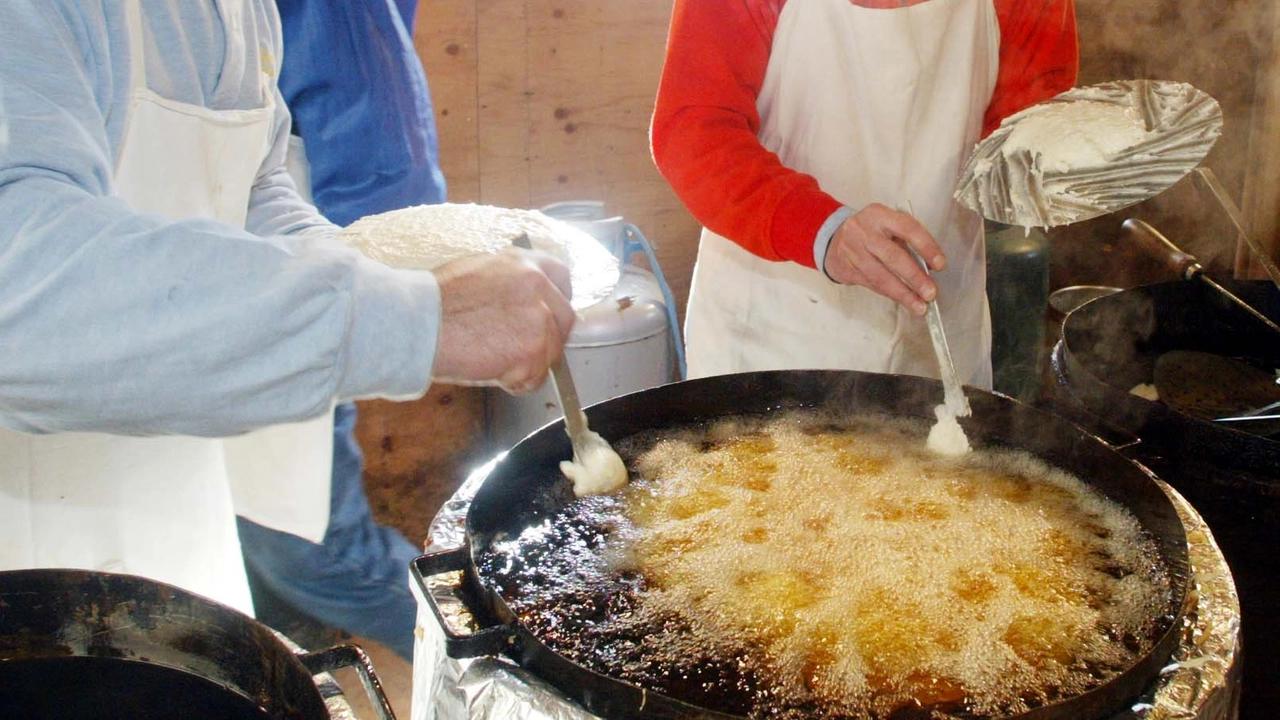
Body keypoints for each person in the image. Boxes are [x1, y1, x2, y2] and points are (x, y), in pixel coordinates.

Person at [0, 0, 575, 619]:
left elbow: (256, 185)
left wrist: (392, 272)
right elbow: (21, 292)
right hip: (33, 555)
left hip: (177, 484)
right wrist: (416, 318)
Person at [650, 0, 1078, 386]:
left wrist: (1060, 165)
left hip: (940, 334)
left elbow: (1026, 128)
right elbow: (695, 130)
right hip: (775, 335)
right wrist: (822, 229)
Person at [233, 0, 450, 661]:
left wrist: (389, 308)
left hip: (281, 281)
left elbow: (381, 161)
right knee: (260, 547)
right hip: (230, 283)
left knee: (309, 545)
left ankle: (501, 654)